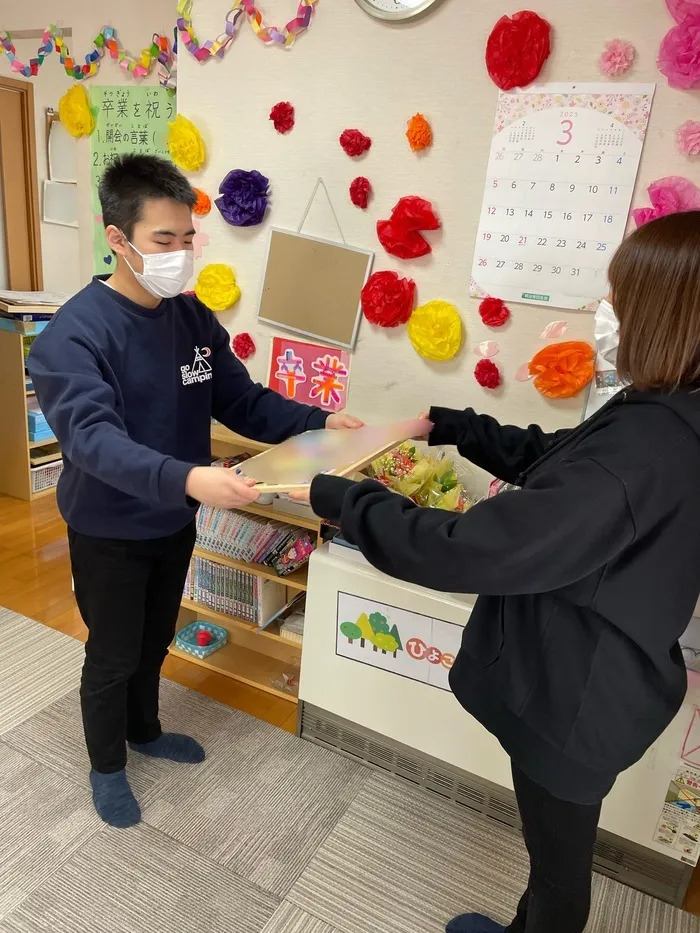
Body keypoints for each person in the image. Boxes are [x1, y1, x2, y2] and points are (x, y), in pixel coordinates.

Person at [296, 211, 700, 933]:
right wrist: (457, 424)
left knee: (557, 871)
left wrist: (339, 496)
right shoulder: (664, 413)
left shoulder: (643, 453)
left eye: (617, 297)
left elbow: (467, 547)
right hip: (598, 672)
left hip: (577, 697)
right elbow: (558, 459)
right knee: (554, 860)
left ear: (664, 311)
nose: (605, 314)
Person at [28, 153, 361, 830]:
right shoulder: (74, 334)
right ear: (117, 238)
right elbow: (93, 442)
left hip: (174, 517)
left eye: (187, 238)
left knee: (156, 639)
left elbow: (241, 399)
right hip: (110, 525)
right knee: (114, 651)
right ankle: (106, 764)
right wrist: (188, 476)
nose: (179, 255)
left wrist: (318, 419)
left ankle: (144, 729)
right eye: (163, 240)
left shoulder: (190, 317)